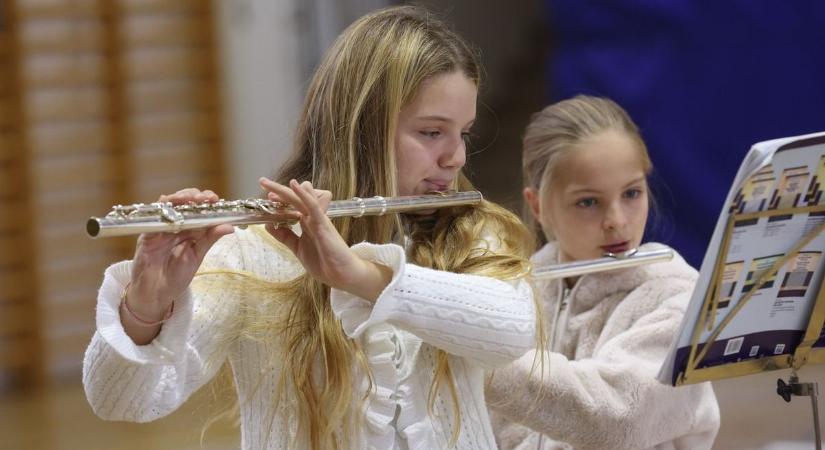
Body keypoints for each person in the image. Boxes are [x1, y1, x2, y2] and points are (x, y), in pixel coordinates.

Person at [82, 6, 539, 450]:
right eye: (432, 132)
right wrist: (147, 302)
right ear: (365, 130)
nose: (455, 157)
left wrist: (358, 276)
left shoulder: (473, 235)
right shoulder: (253, 254)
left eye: (465, 134)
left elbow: (514, 332)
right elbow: (121, 401)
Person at [486, 95, 720, 449]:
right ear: (537, 206)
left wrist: (475, 356)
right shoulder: (520, 290)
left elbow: (618, 418)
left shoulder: (675, 292)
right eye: (589, 202)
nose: (617, 221)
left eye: (631, 193)